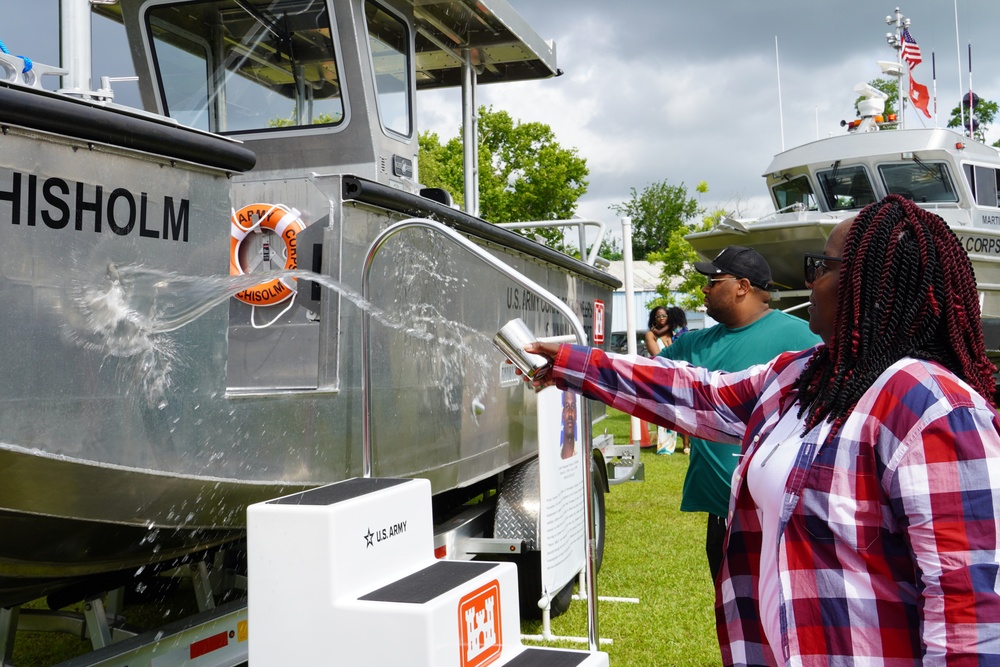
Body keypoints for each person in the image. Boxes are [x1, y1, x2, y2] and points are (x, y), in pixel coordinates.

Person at [516, 195, 1000, 664]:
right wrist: (570, 363)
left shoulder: (934, 409)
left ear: (869, 284)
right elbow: (698, 393)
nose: (809, 285)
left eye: (821, 268)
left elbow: (969, 612)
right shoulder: (805, 375)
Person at [659, 245, 819, 580]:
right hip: (721, 516)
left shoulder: (803, 338)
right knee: (733, 623)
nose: (704, 288)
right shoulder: (693, 345)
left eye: (713, 280)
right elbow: (641, 378)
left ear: (742, 286)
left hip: (782, 518)